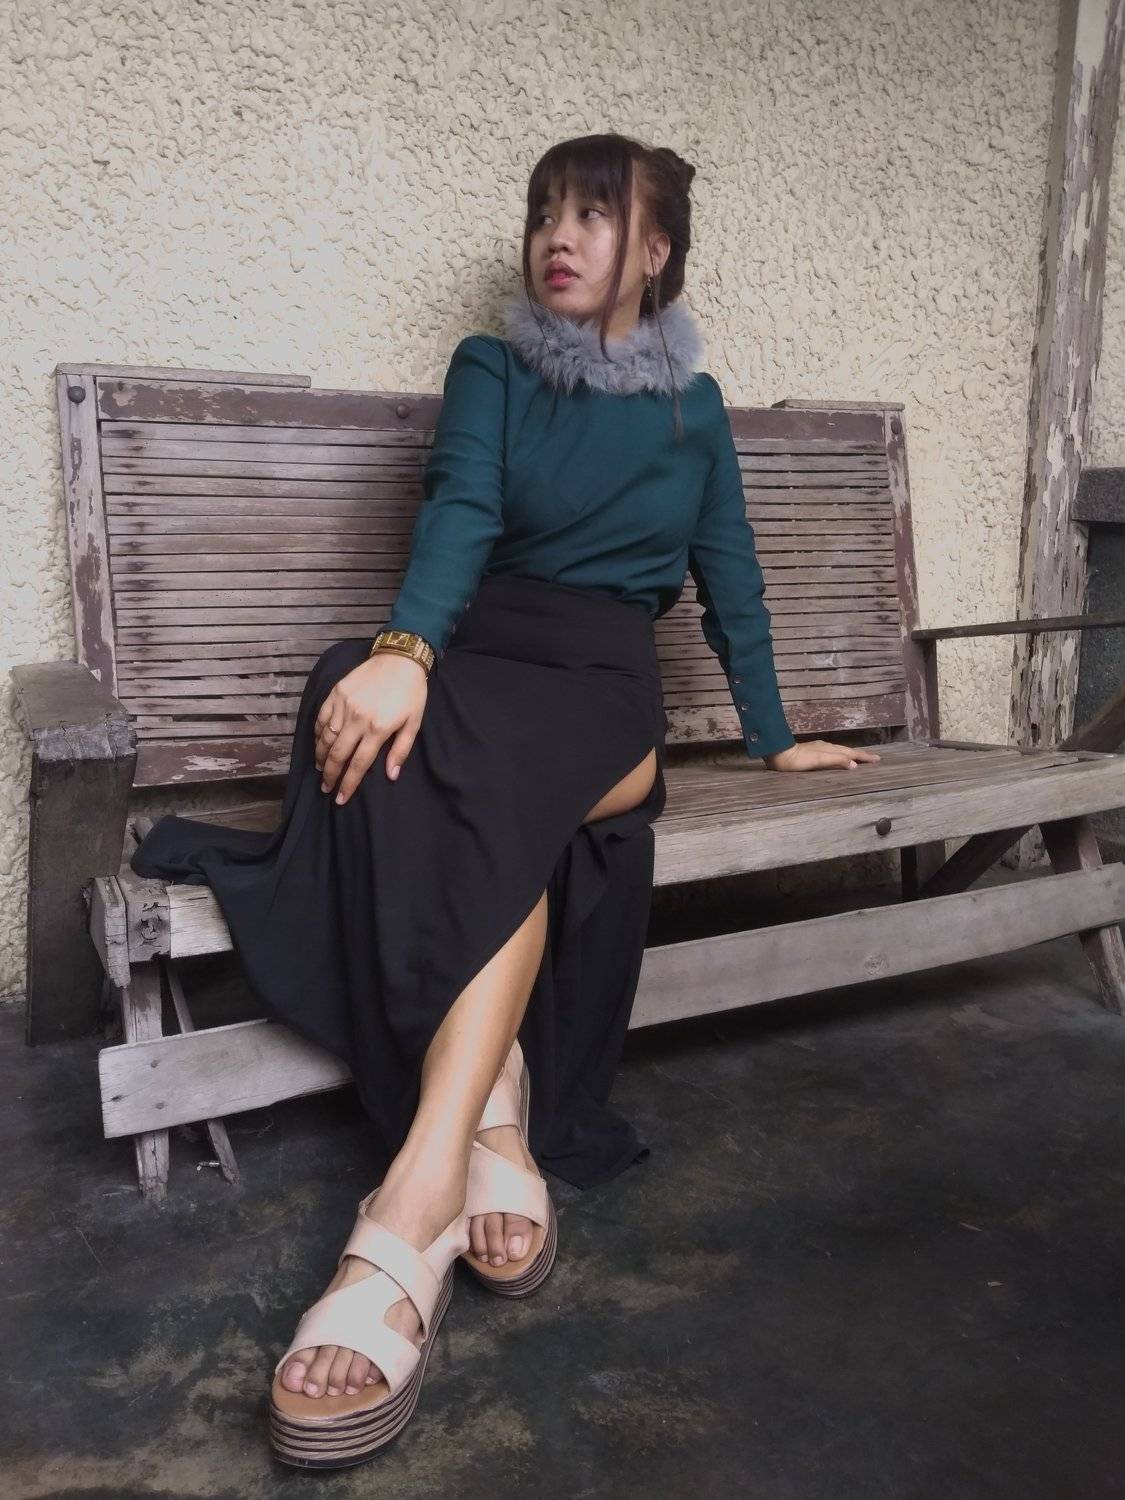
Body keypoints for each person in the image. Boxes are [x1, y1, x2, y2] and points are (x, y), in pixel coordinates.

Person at [131, 130, 880, 1469]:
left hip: (602, 692)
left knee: (469, 768)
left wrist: (773, 740)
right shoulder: (490, 367)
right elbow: (461, 512)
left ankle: (407, 1203)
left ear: (654, 250)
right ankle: (483, 1120)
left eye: (593, 214)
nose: (559, 236)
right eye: (544, 212)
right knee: (355, 687)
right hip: (480, 667)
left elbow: (732, 577)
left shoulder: (694, 409)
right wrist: (405, 650)